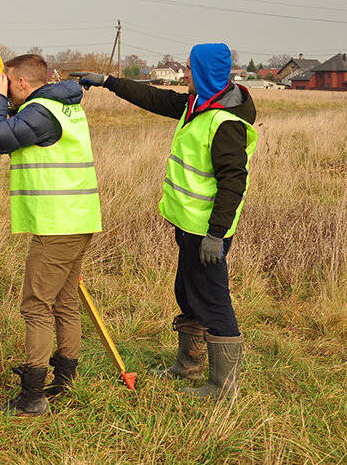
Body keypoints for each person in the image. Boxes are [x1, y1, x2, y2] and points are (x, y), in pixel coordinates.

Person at [77, 42, 256, 400]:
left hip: (206, 232)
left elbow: (234, 182)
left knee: (214, 301)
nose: (184, 74)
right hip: (188, 225)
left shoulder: (224, 123)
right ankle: (188, 365)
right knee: (188, 294)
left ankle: (224, 388)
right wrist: (109, 81)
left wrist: (215, 235)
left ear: (204, 73)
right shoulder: (198, 105)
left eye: (189, 69)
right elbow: (154, 99)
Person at [0, 53, 103, 416]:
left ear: (20, 82)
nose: (5, 86)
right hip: (77, 219)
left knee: (36, 305)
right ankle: (64, 381)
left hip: (57, 225)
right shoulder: (60, 104)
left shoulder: (41, 111)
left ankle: (32, 397)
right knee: (64, 302)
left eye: (8, 81)